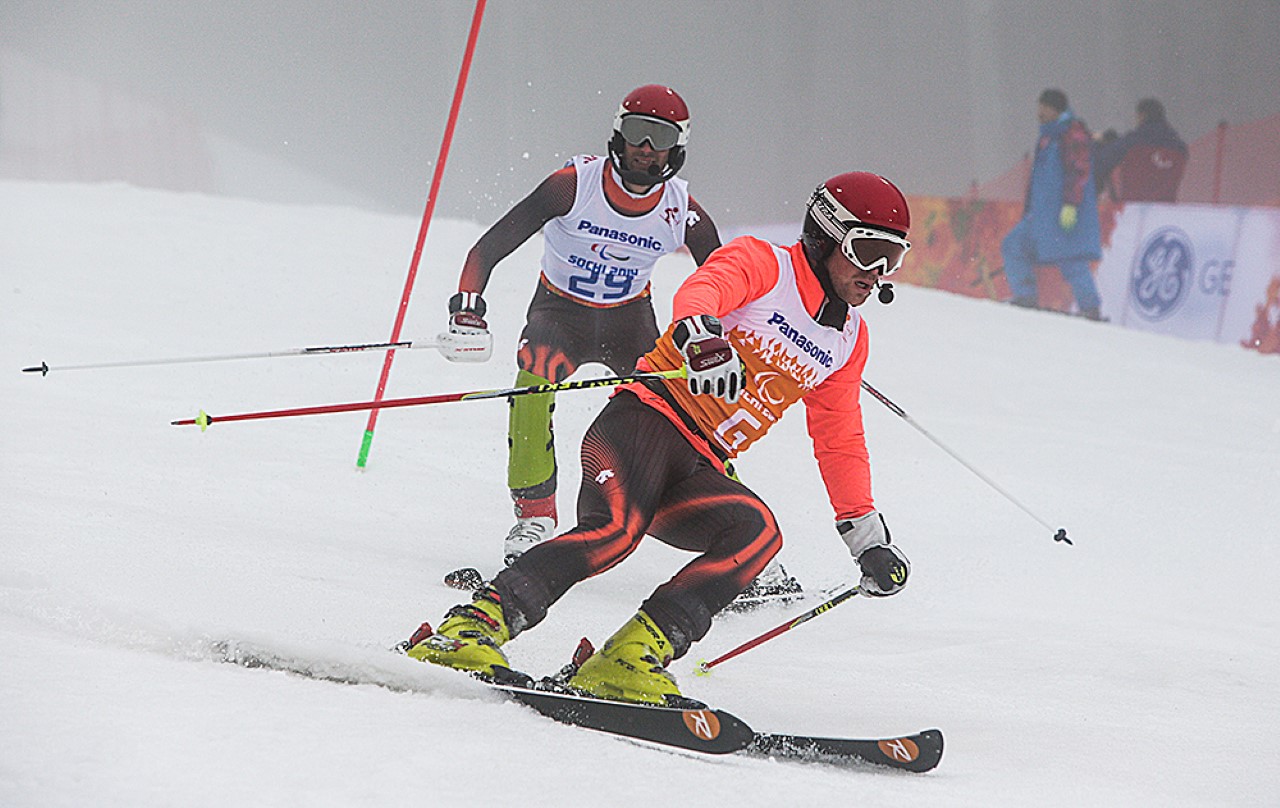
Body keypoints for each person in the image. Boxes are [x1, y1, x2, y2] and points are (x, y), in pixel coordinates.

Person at [407, 172, 914, 706]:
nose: (876, 273)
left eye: (893, 257)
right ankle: (468, 630)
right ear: (826, 235)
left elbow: (840, 439)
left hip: (700, 465)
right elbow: (704, 289)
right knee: (615, 532)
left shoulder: (848, 340)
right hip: (643, 424)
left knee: (757, 533)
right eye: (867, 250)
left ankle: (627, 659)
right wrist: (702, 337)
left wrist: (867, 540)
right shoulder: (768, 265)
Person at [439, 84, 803, 605]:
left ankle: (741, 541)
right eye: (637, 133)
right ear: (617, 132)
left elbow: (729, 279)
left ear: (678, 147)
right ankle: (535, 521)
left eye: (660, 137)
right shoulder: (571, 186)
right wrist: (467, 306)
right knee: (535, 374)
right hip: (559, 313)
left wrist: (783, 326)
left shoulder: (683, 212)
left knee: (689, 411)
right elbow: (489, 246)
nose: (646, 148)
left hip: (628, 323)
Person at [1001, 88, 1103, 320]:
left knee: (1071, 259)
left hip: (1063, 212)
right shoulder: (1047, 137)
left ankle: (1091, 309)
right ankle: (1025, 296)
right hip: (1041, 215)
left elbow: (1079, 171)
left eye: (1043, 107)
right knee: (1014, 245)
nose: (1039, 112)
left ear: (1055, 109)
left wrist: (1071, 205)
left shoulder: (1071, 133)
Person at [1092, 97, 1188, 203]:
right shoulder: (1180, 149)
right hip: (1166, 210)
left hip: (1131, 209)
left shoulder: (1131, 142)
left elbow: (1099, 165)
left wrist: (1097, 143)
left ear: (1142, 116)